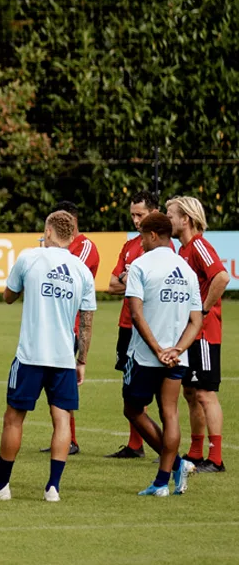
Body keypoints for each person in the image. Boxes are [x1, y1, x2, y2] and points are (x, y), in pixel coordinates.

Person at [0, 210, 95, 503]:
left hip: (30, 355)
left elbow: (8, 295)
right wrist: (82, 360)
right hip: (64, 357)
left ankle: (1, 486)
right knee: (62, 419)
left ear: (49, 231)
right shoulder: (81, 270)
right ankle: (53, 487)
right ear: (73, 237)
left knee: (14, 418)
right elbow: (87, 322)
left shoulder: (30, 257)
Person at [122, 210, 200, 496]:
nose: (140, 241)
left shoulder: (141, 266)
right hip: (177, 357)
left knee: (132, 409)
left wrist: (157, 350)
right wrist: (176, 349)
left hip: (145, 355)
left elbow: (136, 313)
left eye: (142, 235)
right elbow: (196, 320)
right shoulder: (187, 270)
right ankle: (162, 481)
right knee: (170, 413)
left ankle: (173, 469)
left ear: (153, 235)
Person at [167, 196, 230, 473]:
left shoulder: (199, 246)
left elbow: (222, 277)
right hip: (189, 333)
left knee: (205, 393)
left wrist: (203, 312)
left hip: (203, 333)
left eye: (171, 215)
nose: (168, 220)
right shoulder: (183, 251)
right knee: (191, 393)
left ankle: (215, 459)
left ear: (186, 219)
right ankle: (195, 452)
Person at [43, 201, 99, 456]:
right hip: (53, 322)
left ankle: (71, 439)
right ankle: (67, 438)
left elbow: (72, 274)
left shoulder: (86, 248)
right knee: (54, 385)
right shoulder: (53, 246)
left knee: (62, 385)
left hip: (72, 325)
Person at [105, 190, 157, 458]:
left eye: (141, 215)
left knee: (156, 388)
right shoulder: (130, 245)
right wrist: (130, 280)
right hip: (127, 323)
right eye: (133, 215)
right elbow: (111, 285)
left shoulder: (161, 247)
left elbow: (151, 285)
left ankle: (162, 445)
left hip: (148, 325)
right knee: (130, 385)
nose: (136, 220)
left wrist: (129, 279)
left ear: (154, 213)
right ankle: (135, 445)